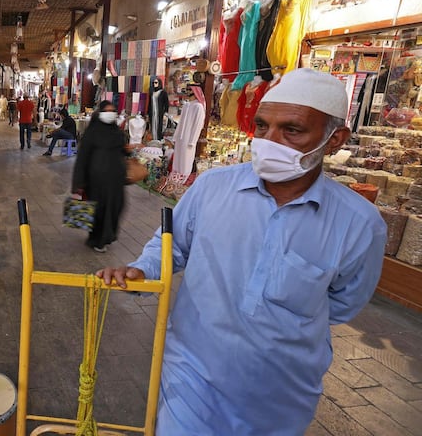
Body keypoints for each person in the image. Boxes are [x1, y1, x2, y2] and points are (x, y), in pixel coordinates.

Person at [97, 69, 387, 435]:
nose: (270, 141)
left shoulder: (359, 224)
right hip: (192, 380)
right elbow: (171, 247)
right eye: (263, 126)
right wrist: (141, 270)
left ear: (334, 140)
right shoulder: (212, 188)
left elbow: (343, 303)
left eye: (292, 130)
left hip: (282, 398)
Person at [71, 100, 128, 252]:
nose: (110, 113)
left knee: (116, 207)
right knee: (99, 210)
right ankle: (98, 239)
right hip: (96, 181)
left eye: (113, 110)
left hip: (115, 181)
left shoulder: (116, 131)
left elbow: (122, 150)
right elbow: (82, 157)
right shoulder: (92, 132)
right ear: (100, 113)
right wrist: (78, 182)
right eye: (107, 110)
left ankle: (107, 236)